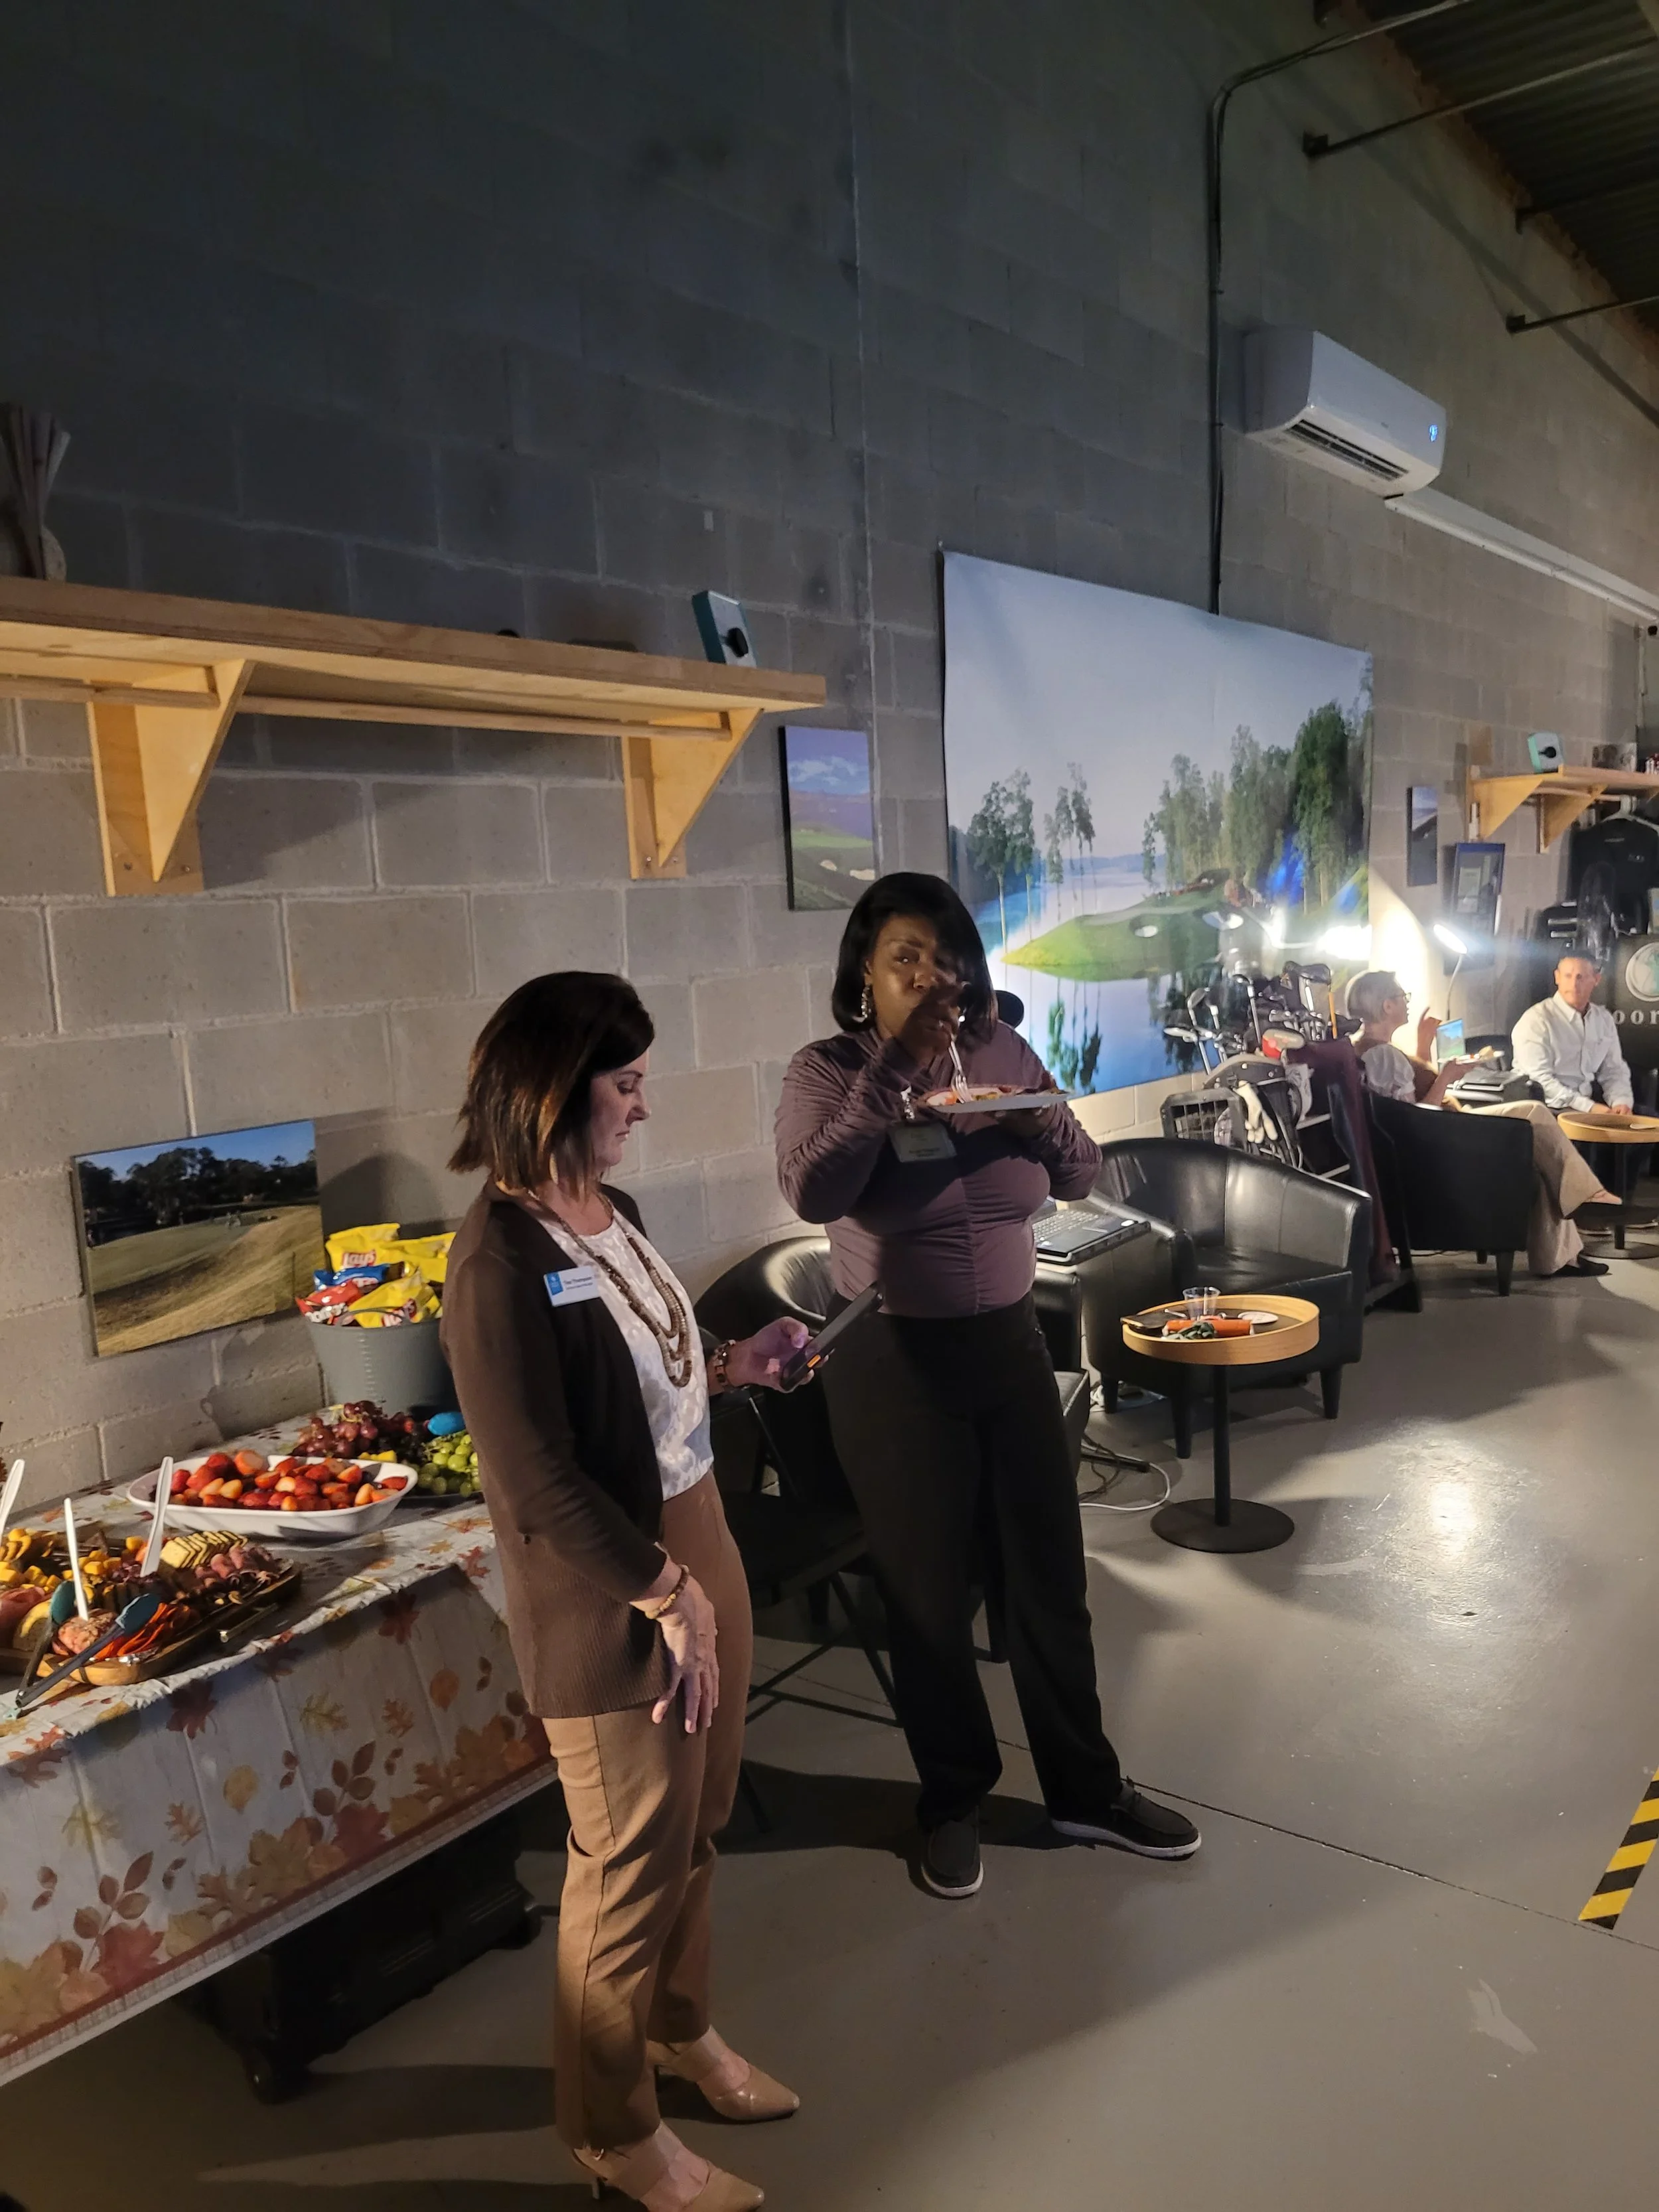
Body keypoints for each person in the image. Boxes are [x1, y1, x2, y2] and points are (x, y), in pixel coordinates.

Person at [444, 972, 810, 2212]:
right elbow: (537, 1476)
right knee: (625, 1861)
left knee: (698, 1822)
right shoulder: (496, 1263)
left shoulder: (610, 1204)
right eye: (628, 1081)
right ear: (555, 1088)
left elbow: (652, 1350)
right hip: (605, 1586)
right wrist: (667, 1590)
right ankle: (612, 2130)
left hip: (694, 1529)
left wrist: (733, 1361)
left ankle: (678, 2027)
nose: (642, 1105)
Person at [774, 872, 1199, 1902]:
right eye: (905, 959)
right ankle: (953, 1799)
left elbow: (1079, 1173)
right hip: (892, 1361)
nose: (930, 977)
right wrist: (896, 1075)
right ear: (864, 976)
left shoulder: (1005, 1051)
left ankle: (1084, 1789)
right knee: (926, 1596)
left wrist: (1034, 1120)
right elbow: (814, 1187)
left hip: (1009, 1347)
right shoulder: (825, 1070)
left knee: (1050, 1578)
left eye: (946, 958)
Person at [1346, 968, 1629, 1279]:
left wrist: (1425, 1045)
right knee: (1534, 1112)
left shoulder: (1367, 1048)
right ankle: (1587, 1196)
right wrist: (1447, 1077)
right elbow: (1413, 1121)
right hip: (1441, 1139)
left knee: (1539, 1166)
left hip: (1444, 1131)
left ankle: (1563, 1256)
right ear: (1387, 1006)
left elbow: (1406, 1099)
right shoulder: (1383, 1055)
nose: (1407, 1003)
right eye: (1402, 997)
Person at [1511, 949, 1634, 1116]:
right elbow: (1540, 1080)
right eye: (1568, 976)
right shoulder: (1536, 1020)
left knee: (1648, 1124)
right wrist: (1590, 1108)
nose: (1574, 984)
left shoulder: (1603, 1019)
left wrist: (1621, 1102)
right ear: (1557, 977)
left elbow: (1613, 1070)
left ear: (1596, 980)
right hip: (1547, 1108)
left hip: (1588, 1102)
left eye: (1581, 977)